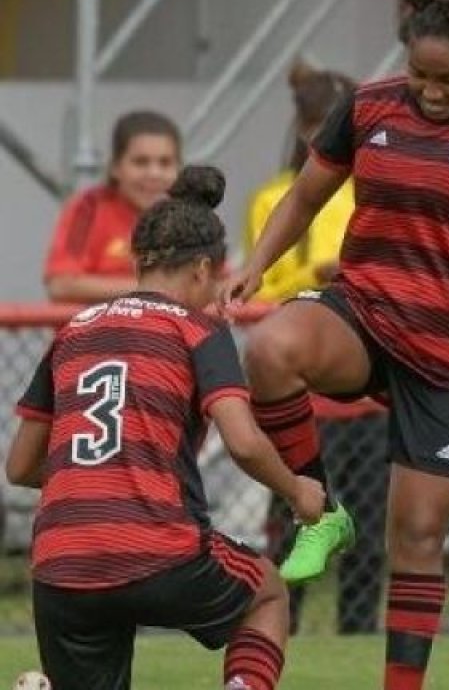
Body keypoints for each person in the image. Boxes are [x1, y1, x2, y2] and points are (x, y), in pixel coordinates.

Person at [221, 0, 449, 686]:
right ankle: (319, 511)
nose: (431, 90)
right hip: (366, 312)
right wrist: (254, 264)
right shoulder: (368, 107)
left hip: (446, 350)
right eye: (418, 72)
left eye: (447, 78)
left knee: (415, 535)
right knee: (272, 348)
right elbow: (308, 196)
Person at [6, 166, 326, 690]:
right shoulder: (197, 330)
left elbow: (19, 467)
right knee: (267, 594)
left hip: (61, 565)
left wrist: (100, 478)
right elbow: (243, 442)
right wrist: (298, 491)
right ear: (204, 269)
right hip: (156, 547)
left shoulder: (74, 331)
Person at [245, 61, 388, 636]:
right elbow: (265, 283)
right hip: (300, 394)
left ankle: (357, 632)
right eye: (314, 128)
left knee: (371, 522)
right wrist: (313, 274)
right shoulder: (276, 199)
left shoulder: (373, 191)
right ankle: (285, 625)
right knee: (294, 513)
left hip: (362, 391)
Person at [44, 111, 181, 304]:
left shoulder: (190, 215)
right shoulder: (88, 209)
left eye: (165, 163)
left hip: (169, 333)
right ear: (115, 167)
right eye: (141, 162)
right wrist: (154, 291)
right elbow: (61, 285)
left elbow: (219, 284)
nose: (154, 173)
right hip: (96, 333)